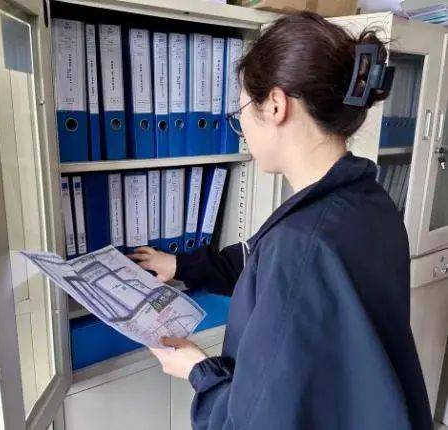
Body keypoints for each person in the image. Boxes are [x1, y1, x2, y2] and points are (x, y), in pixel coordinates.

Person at [129, 12, 433, 430]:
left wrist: (198, 370)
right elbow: (261, 260)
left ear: (275, 105)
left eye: (242, 110)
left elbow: (251, 421)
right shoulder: (366, 200)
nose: (241, 128)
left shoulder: (301, 243)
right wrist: (182, 265)